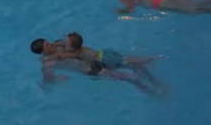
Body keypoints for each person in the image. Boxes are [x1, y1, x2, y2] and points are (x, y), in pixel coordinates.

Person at [30, 37, 162, 95]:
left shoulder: (59, 43)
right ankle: (151, 92)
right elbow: (48, 80)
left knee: (133, 65)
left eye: (48, 42)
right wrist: (60, 79)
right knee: (129, 78)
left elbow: (76, 44)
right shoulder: (48, 63)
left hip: (96, 59)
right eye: (47, 46)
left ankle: (155, 83)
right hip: (93, 70)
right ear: (43, 52)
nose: (50, 45)